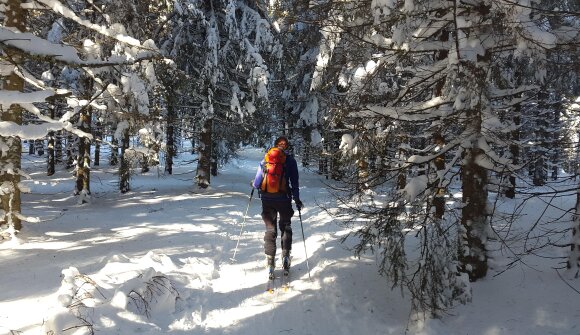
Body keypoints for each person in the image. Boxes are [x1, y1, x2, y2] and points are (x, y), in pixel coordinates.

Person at [252, 136, 303, 278]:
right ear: (286, 147)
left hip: (267, 199)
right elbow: (295, 182)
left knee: (270, 229)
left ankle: (270, 261)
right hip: (283, 199)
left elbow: (257, 182)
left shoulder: (266, 159)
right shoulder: (290, 161)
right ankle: (286, 257)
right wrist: (297, 198)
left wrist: (254, 185)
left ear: (275, 146)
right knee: (286, 226)